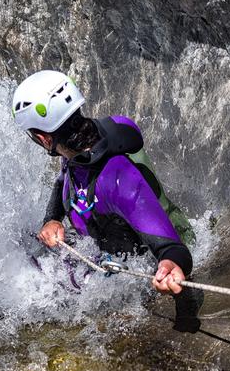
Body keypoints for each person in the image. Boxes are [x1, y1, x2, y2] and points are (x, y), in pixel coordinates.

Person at [12, 70, 202, 330]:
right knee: (26, 245)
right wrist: (52, 218)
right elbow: (63, 178)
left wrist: (171, 265)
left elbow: (172, 248)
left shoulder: (118, 179)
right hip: (108, 239)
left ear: (44, 139)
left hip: (148, 251)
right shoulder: (79, 143)